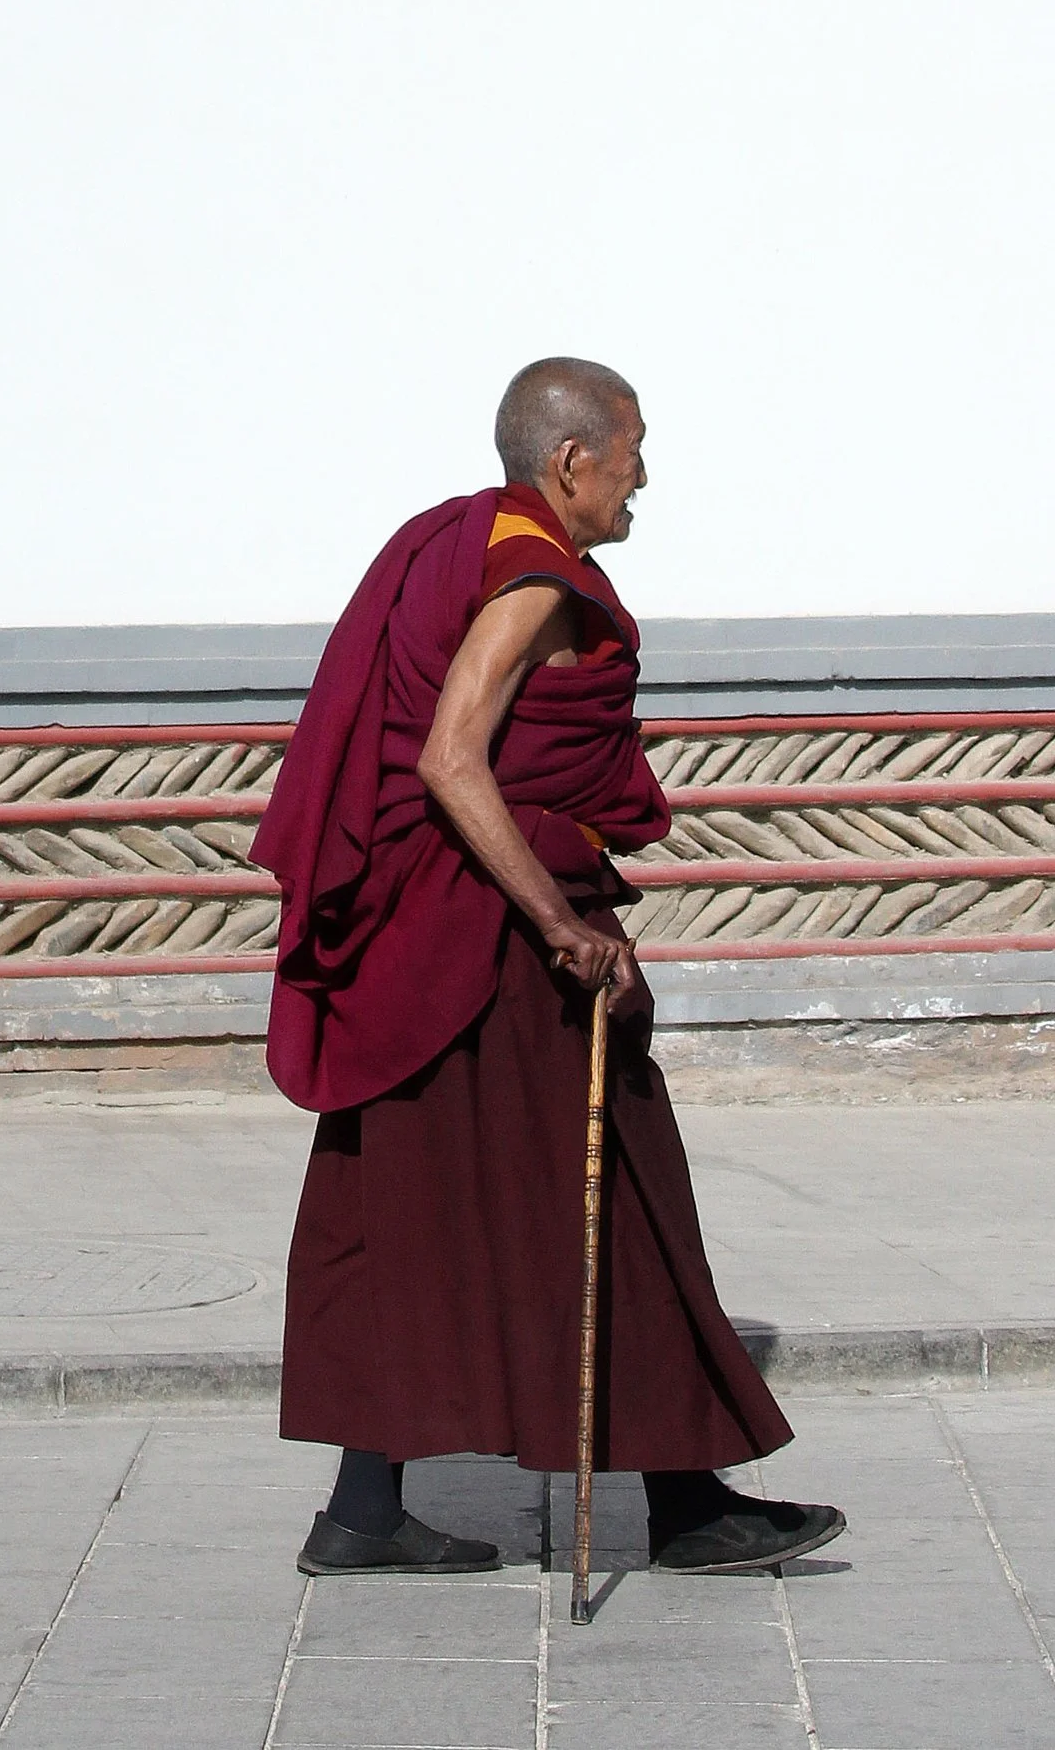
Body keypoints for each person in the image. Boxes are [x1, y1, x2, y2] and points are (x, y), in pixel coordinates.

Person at [253, 358, 842, 1580]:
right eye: (633, 450)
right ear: (572, 460)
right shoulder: (528, 574)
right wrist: (564, 928)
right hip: (503, 944)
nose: (643, 478)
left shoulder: (461, 542)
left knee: (395, 1208)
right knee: (618, 1188)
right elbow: (452, 760)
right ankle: (684, 1504)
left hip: (428, 939)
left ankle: (363, 1511)